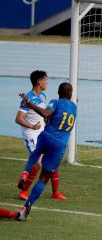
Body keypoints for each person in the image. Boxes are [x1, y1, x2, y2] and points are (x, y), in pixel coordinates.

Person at [16, 82, 77, 221]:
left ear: (59, 93)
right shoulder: (74, 107)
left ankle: (26, 172)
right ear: (70, 94)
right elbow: (56, 118)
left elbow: (46, 113)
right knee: (43, 178)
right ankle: (26, 208)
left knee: (36, 152)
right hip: (60, 144)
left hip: (47, 136)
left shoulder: (54, 102)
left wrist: (29, 103)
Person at [15, 70, 66, 201]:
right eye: (45, 80)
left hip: (43, 134)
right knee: (38, 164)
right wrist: (32, 126)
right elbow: (18, 118)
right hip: (31, 134)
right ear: (39, 81)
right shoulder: (28, 98)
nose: (47, 82)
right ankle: (24, 191)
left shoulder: (42, 96)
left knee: (53, 160)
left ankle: (55, 192)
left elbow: (43, 114)